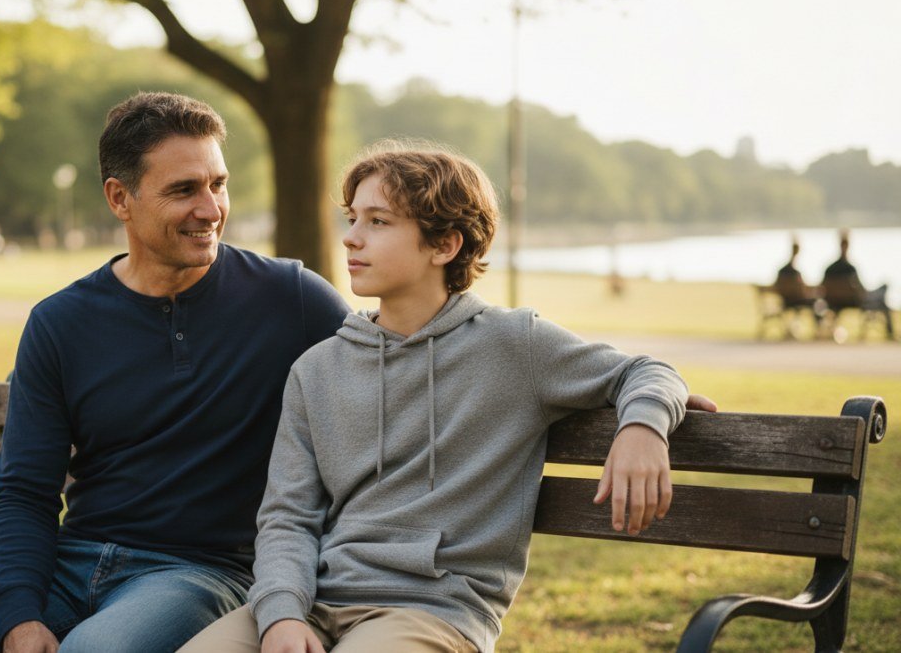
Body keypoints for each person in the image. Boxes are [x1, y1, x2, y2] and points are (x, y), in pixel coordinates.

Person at [0, 92, 350, 653]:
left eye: (217, 184)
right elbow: (23, 490)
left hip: (200, 573)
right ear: (121, 198)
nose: (212, 208)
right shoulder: (61, 322)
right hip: (70, 563)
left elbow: (389, 378)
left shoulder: (291, 299)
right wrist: (20, 616)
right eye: (183, 190)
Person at [181, 144, 698, 653]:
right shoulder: (316, 370)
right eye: (353, 218)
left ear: (444, 245)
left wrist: (642, 429)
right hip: (312, 602)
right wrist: (280, 617)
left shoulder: (513, 345)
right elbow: (287, 518)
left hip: (433, 609)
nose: (351, 238)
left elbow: (646, 371)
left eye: (378, 222)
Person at [821, 230, 894, 338]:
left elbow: (823, 288)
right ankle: (890, 333)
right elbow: (860, 290)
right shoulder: (850, 269)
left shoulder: (829, 269)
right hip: (853, 301)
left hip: (833, 301)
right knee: (883, 291)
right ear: (847, 246)